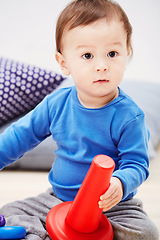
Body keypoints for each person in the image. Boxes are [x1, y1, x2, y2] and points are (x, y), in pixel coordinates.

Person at [0, 0, 159, 239]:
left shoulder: (130, 116)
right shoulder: (56, 104)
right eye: (87, 55)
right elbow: (20, 136)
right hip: (58, 199)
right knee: (11, 211)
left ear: (128, 54)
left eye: (112, 54)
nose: (102, 66)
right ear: (64, 63)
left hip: (112, 207)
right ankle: (40, 232)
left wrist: (120, 184)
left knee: (146, 233)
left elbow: (137, 164)